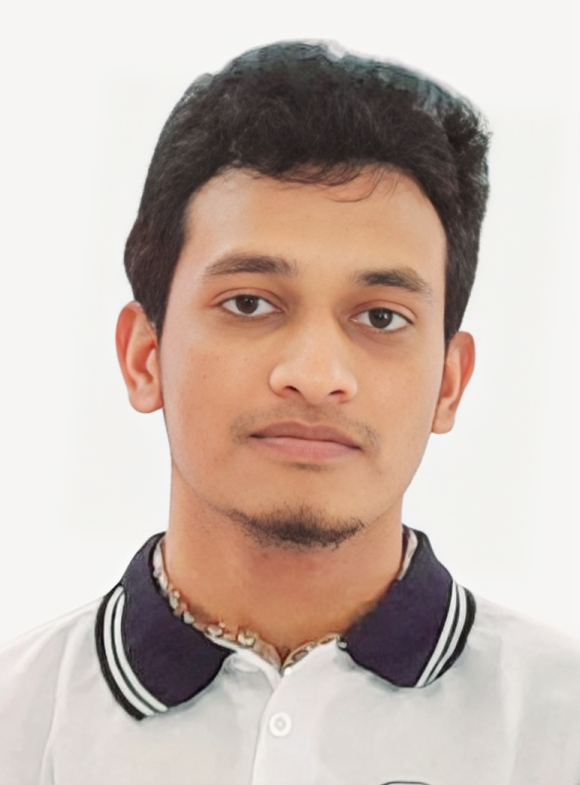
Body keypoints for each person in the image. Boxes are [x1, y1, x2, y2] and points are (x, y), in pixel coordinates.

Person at [1, 41, 579, 785]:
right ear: (144, 356)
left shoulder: (559, 729)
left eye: (381, 317)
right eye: (249, 302)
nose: (315, 376)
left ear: (449, 383)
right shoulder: (18, 723)